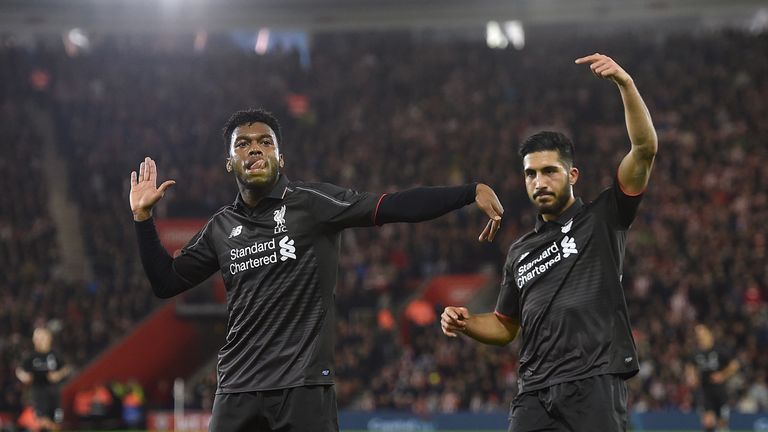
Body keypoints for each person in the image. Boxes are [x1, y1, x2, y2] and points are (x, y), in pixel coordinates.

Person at [129, 108, 504, 432]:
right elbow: (166, 281)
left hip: (303, 388)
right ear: (230, 162)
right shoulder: (221, 227)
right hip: (237, 390)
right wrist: (143, 219)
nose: (254, 147)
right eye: (242, 144)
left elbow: (392, 206)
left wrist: (468, 192)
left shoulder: (312, 204)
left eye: (265, 141)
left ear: (281, 157)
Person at [440, 53, 658, 431]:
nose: (539, 181)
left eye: (549, 171)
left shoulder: (605, 217)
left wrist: (626, 84)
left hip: (594, 384)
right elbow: (505, 326)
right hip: (534, 393)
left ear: (572, 174)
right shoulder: (519, 252)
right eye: (530, 174)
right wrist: (466, 323)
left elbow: (644, 150)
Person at [15, 327, 72, 432]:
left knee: (56, 424)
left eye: (42, 337)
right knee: (43, 422)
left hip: (54, 393)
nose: (39, 340)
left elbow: (66, 368)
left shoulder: (55, 355)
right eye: (36, 338)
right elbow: (19, 370)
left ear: (49, 338)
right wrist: (24, 377)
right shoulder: (31, 356)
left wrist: (58, 374)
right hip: (38, 393)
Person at [685, 324, 740, 432]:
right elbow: (690, 367)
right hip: (705, 391)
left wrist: (723, 375)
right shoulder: (695, 352)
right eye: (697, 333)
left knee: (722, 424)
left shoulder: (719, 350)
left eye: (702, 332)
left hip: (720, 390)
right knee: (708, 422)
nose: (700, 335)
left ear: (709, 334)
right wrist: (691, 377)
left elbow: (734, 365)